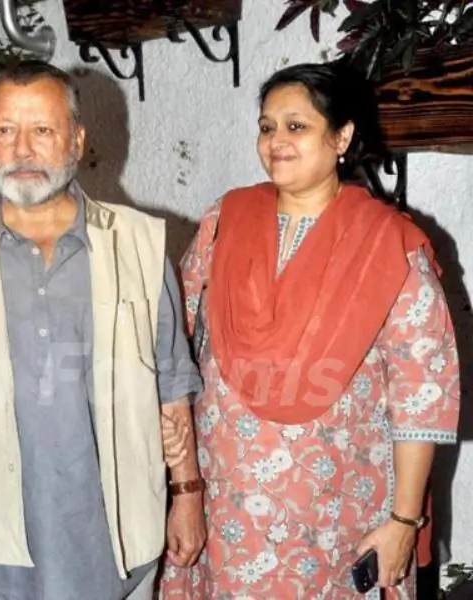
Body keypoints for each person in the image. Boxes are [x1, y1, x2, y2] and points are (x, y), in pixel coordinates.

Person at [0, 60, 206, 600]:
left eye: (42, 130)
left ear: (77, 138)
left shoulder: (138, 242)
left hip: (115, 530)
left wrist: (186, 495)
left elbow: (171, 384)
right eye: (5, 131)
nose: (22, 151)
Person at [160, 61, 460, 599]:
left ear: (341, 136)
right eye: (267, 126)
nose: (277, 141)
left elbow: (423, 398)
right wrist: (181, 486)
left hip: (338, 516)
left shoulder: (388, 245)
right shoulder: (223, 222)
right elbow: (173, 349)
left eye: (296, 126)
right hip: (227, 511)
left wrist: (403, 521)